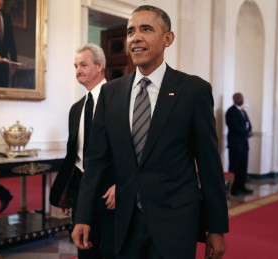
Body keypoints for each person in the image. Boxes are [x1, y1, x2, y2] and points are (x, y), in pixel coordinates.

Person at [71, 5, 229, 259]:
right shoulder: (111, 93)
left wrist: (216, 227)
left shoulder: (193, 90)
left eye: (146, 29)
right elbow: (96, 161)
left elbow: (209, 163)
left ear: (168, 38)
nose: (136, 37)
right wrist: (83, 215)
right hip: (122, 221)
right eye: (131, 31)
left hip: (175, 222)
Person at [49, 43, 115, 259]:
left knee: (108, 250)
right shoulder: (76, 108)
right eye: (75, 65)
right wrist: (67, 194)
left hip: (109, 191)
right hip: (81, 190)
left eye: (83, 64)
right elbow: (74, 155)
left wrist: (121, 183)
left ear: (99, 65)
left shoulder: (118, 100)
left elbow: (130, 149)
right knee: (84, 249)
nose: (78, 70)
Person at [225, 92, 254, 196]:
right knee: (235, 166)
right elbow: (233, 126)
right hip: (235, 144)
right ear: (234, 99)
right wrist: (245, 133)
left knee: (243, 166)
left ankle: (242, 186)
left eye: (242, 97)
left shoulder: (243, 111)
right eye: (239, 97)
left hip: (244, 144)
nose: (241, 99)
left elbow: (248, 124)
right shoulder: (231, 111)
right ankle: (233, 188)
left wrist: (249, 131)